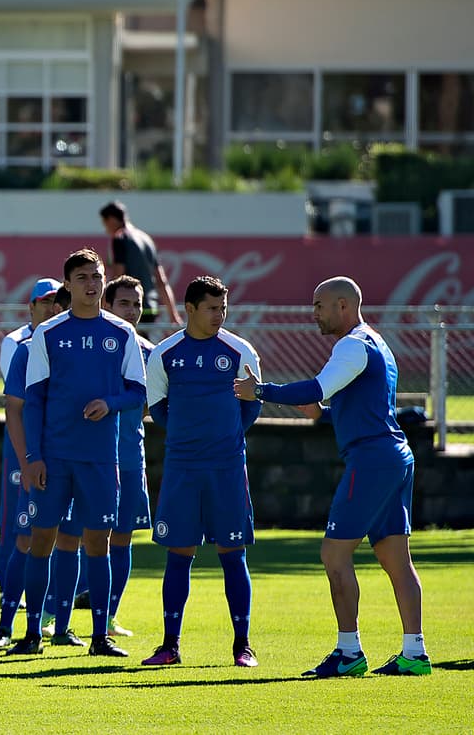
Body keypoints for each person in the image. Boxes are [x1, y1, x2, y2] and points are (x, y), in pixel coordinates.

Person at [235, 276, 430, 677]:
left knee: (334, 554)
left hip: (373, 461)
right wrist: (321, 414)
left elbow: (317, 387)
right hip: (394, 457)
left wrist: (260, 391)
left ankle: (348, 652)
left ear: (343, 305)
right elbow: (350, 404)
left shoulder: (352, 344)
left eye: (319, 306)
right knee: (396, 559)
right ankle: (415, 654)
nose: (314, 314)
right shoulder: (376, 342)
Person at [14, 248, 146, 658]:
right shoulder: (48, 334)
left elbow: (138, 392)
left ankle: (99, 637)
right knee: (42, 541)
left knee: (99, 542)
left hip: (101, 459)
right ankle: (33, 632)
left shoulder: (122, 334)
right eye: (84, 277)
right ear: (67, 285)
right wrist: (34, 457)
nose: (92, 283)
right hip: (54, 458)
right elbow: (33, 400)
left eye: (98, 276)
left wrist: (110, 402)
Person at [141, 276, 262, 668]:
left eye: (223, 308)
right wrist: (187, 437)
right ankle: (169, 646)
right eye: (212, 308)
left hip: (226, 468)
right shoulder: (165, 353)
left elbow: (251, 406)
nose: (219, 316)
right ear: (190, 309)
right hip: (182, 469)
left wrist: (223, 438)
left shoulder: (240, 351)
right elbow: (158, 408)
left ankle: (243, 646)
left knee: (233, 554)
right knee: (179, 554)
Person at [0, 279, 66, 648]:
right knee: (23, 536)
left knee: (71, 539)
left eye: (57, 302)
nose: (52, 307)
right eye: (45, 302)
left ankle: (60, 625)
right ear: (31, 306)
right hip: (29, 456)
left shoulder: (77, 343)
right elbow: (17, 404)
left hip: (72, 458)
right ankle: (6, 624)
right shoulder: (18, 345)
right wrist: (28, 457)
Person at [99, 275, 155, 639]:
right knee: (74, 537)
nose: (132, 311)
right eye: (124, 303)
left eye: (137, 304)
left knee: (121, 539)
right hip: (91, 459)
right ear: (107, 305)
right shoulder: (94, 347)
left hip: (131, 460)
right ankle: (52, 615)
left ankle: (108, 617)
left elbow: (155, 405)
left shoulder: (151, 353)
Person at [99, 201, 181, 325]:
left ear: (111, 219)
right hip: (149, 309)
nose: (106, 230)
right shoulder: (147, 239)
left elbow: (118, 277)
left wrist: (103, 306)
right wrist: (173, 316)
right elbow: (161, 281)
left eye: (105, 224)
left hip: (127, 309)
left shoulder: (120, 238)